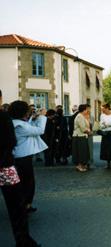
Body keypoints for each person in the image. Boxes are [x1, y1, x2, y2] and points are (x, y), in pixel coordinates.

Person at [0, 90, 41, 247]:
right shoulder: (3, 118)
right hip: (5, 167)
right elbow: (10, 142)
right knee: (16, 206)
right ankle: (23, 241)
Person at [8, 100, 48, 212]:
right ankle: (25, 205)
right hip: (23, 157)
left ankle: (25, 204)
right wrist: (42, 116)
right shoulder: (20, 126)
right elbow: (39, 130)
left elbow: (29, 126)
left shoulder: (15, 123)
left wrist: (33, 118)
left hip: (19, 157)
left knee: (25, 182)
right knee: (28, 183)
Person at [72, 104, 91, 172]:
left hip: (82, 136)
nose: (88, 110)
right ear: (84, 109)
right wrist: (89, 132)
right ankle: (79, 166)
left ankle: (82, 165)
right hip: (79, 136)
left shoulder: (82, 116)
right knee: (80, 152)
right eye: (87, 109)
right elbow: (83, 128)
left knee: (83, 152)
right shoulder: (80, 116)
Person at [99, 103, 111, 168]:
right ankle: (108, 163)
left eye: (103, 109)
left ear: (107, 108)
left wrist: (107, 124)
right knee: (105, 148)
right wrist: (109, 124)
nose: (102, 110)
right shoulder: (102, 115)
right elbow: (101, 125)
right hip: (105, 133)